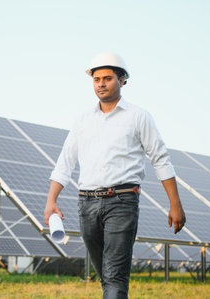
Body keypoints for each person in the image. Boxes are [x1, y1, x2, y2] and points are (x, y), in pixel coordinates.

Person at [43, 52, 186, 299]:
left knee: (115, 277)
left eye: (107, 78)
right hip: (86, 204)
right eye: (96, 79)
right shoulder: (83, 119)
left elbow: (160, 159)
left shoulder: (138, 116)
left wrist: (175, 204)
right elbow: (65, 161)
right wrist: (51, 201)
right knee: (108, 277)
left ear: (122, 80)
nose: (100, 83)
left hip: (121, 202)